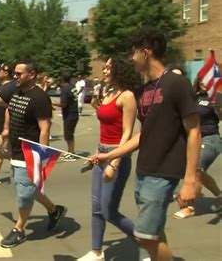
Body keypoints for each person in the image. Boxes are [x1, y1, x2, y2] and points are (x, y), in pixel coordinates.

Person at [91, 29, 200, 261]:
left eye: (134, 52)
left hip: (163, 171)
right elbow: (142, 135)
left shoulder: (177, 84)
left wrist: (190, 180)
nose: (132, 57)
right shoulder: (145, 90)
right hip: (144, 170)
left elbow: (193, 132)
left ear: (146, 52)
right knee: (154, 232)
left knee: (144, 236)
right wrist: (109, 156)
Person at [0, 59, 66, 248]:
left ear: (31, 74)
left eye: (19, 73)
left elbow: (44, 129)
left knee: (24, 193)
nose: (14, 76)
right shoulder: (14, 91)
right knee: (25, 188)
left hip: (30, 153)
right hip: (15, 150)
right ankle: (53, 209)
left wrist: (41, 157)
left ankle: (19, 229)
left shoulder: (40, 98)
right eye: (14, 73)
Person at [78, 57, 140, 261]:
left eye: (108, 68)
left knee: (108, 211)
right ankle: (96, 252)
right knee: (96, 208)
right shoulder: (107, 93)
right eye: (104, 67)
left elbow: (127, 132)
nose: (104, 71)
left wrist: (114, 162)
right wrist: (97, 156)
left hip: (116, 155)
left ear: (119, 70)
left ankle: (146, 241)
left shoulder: (127, 96)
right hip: (102, 152)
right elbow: (106, 127)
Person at [172, 76, 221, 219]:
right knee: (199, 172)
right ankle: (219, 196)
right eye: (203, 80)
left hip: (210, 138)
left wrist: (218, 107)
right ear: (198, 83)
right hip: (193, 139)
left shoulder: (215, 98)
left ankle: (190, 207)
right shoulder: (193, 98)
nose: (205, 83)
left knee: (197, 169)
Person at [53, 74, 79, 161]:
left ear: (62, 80)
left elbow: (63, 104)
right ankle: (69, 151)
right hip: (74, 113)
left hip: (70, 114)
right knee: (69, 134)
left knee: (68, 135)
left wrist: (52, 103)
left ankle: (72, 153)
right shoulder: (72, 86)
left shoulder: (65, 89)